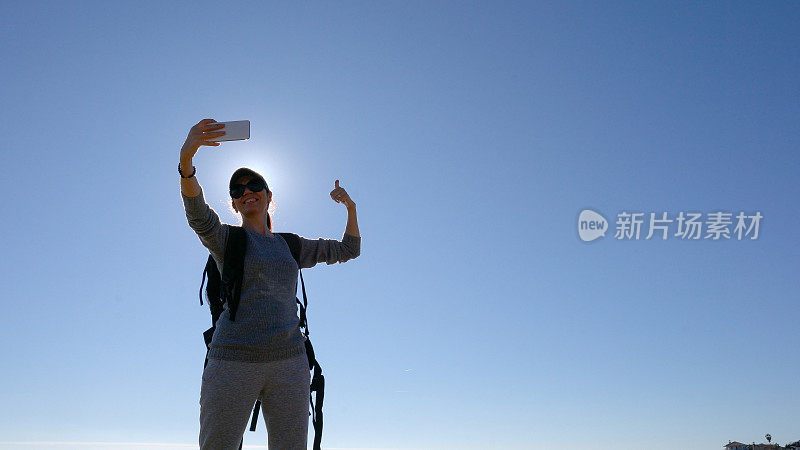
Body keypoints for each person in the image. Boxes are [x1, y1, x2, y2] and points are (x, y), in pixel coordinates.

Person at [178, 118, 361, 449]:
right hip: (232, 361)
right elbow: (198, 216)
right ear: (233, 203)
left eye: (254, 186)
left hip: (290, 363)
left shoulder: (290, 245)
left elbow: (349, 249)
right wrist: (187, 162)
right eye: (238, 190)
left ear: (268, 195)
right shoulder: (226, 240)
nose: (247, 192)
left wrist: (350, 207)